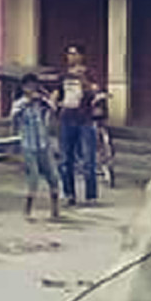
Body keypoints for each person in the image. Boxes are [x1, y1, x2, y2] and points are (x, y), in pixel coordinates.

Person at [56, 42, 104, 206]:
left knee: (88, 160)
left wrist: (82, 78)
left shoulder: (90, 73)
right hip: (66, 119)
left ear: (81, 56)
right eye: (69, 53)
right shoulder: (63, 75)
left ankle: (91, 196)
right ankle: (69, 194)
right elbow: (58, 93)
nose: (71, 57)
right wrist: (56, 103)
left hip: (85, 120)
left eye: (74, 53)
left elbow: (95, 92)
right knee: (65, 160)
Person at [9, 73, 61, 219]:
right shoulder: (19, 103)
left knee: (53, 176)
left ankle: (55, 209)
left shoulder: (41, 102)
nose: (32, 88)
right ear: (23, 87)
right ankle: (28, 210)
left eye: (34, 85)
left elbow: (53, 109)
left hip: (44, 144)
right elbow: (13, 117)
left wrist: (45, 97)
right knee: (33, 177)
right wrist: (28, 102)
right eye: (29, 85)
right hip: (28, 145)